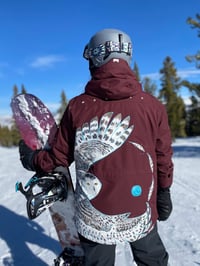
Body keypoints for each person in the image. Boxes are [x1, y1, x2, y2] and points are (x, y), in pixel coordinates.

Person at [19, 28, 173, 266]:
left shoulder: (78, 107)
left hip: (94, 214)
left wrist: (33, 160)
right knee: (152, 260)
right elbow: (162, 157)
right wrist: (164, 191)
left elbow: (59, 157)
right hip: (140, 207)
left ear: (97, 56)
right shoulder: (152, 106)